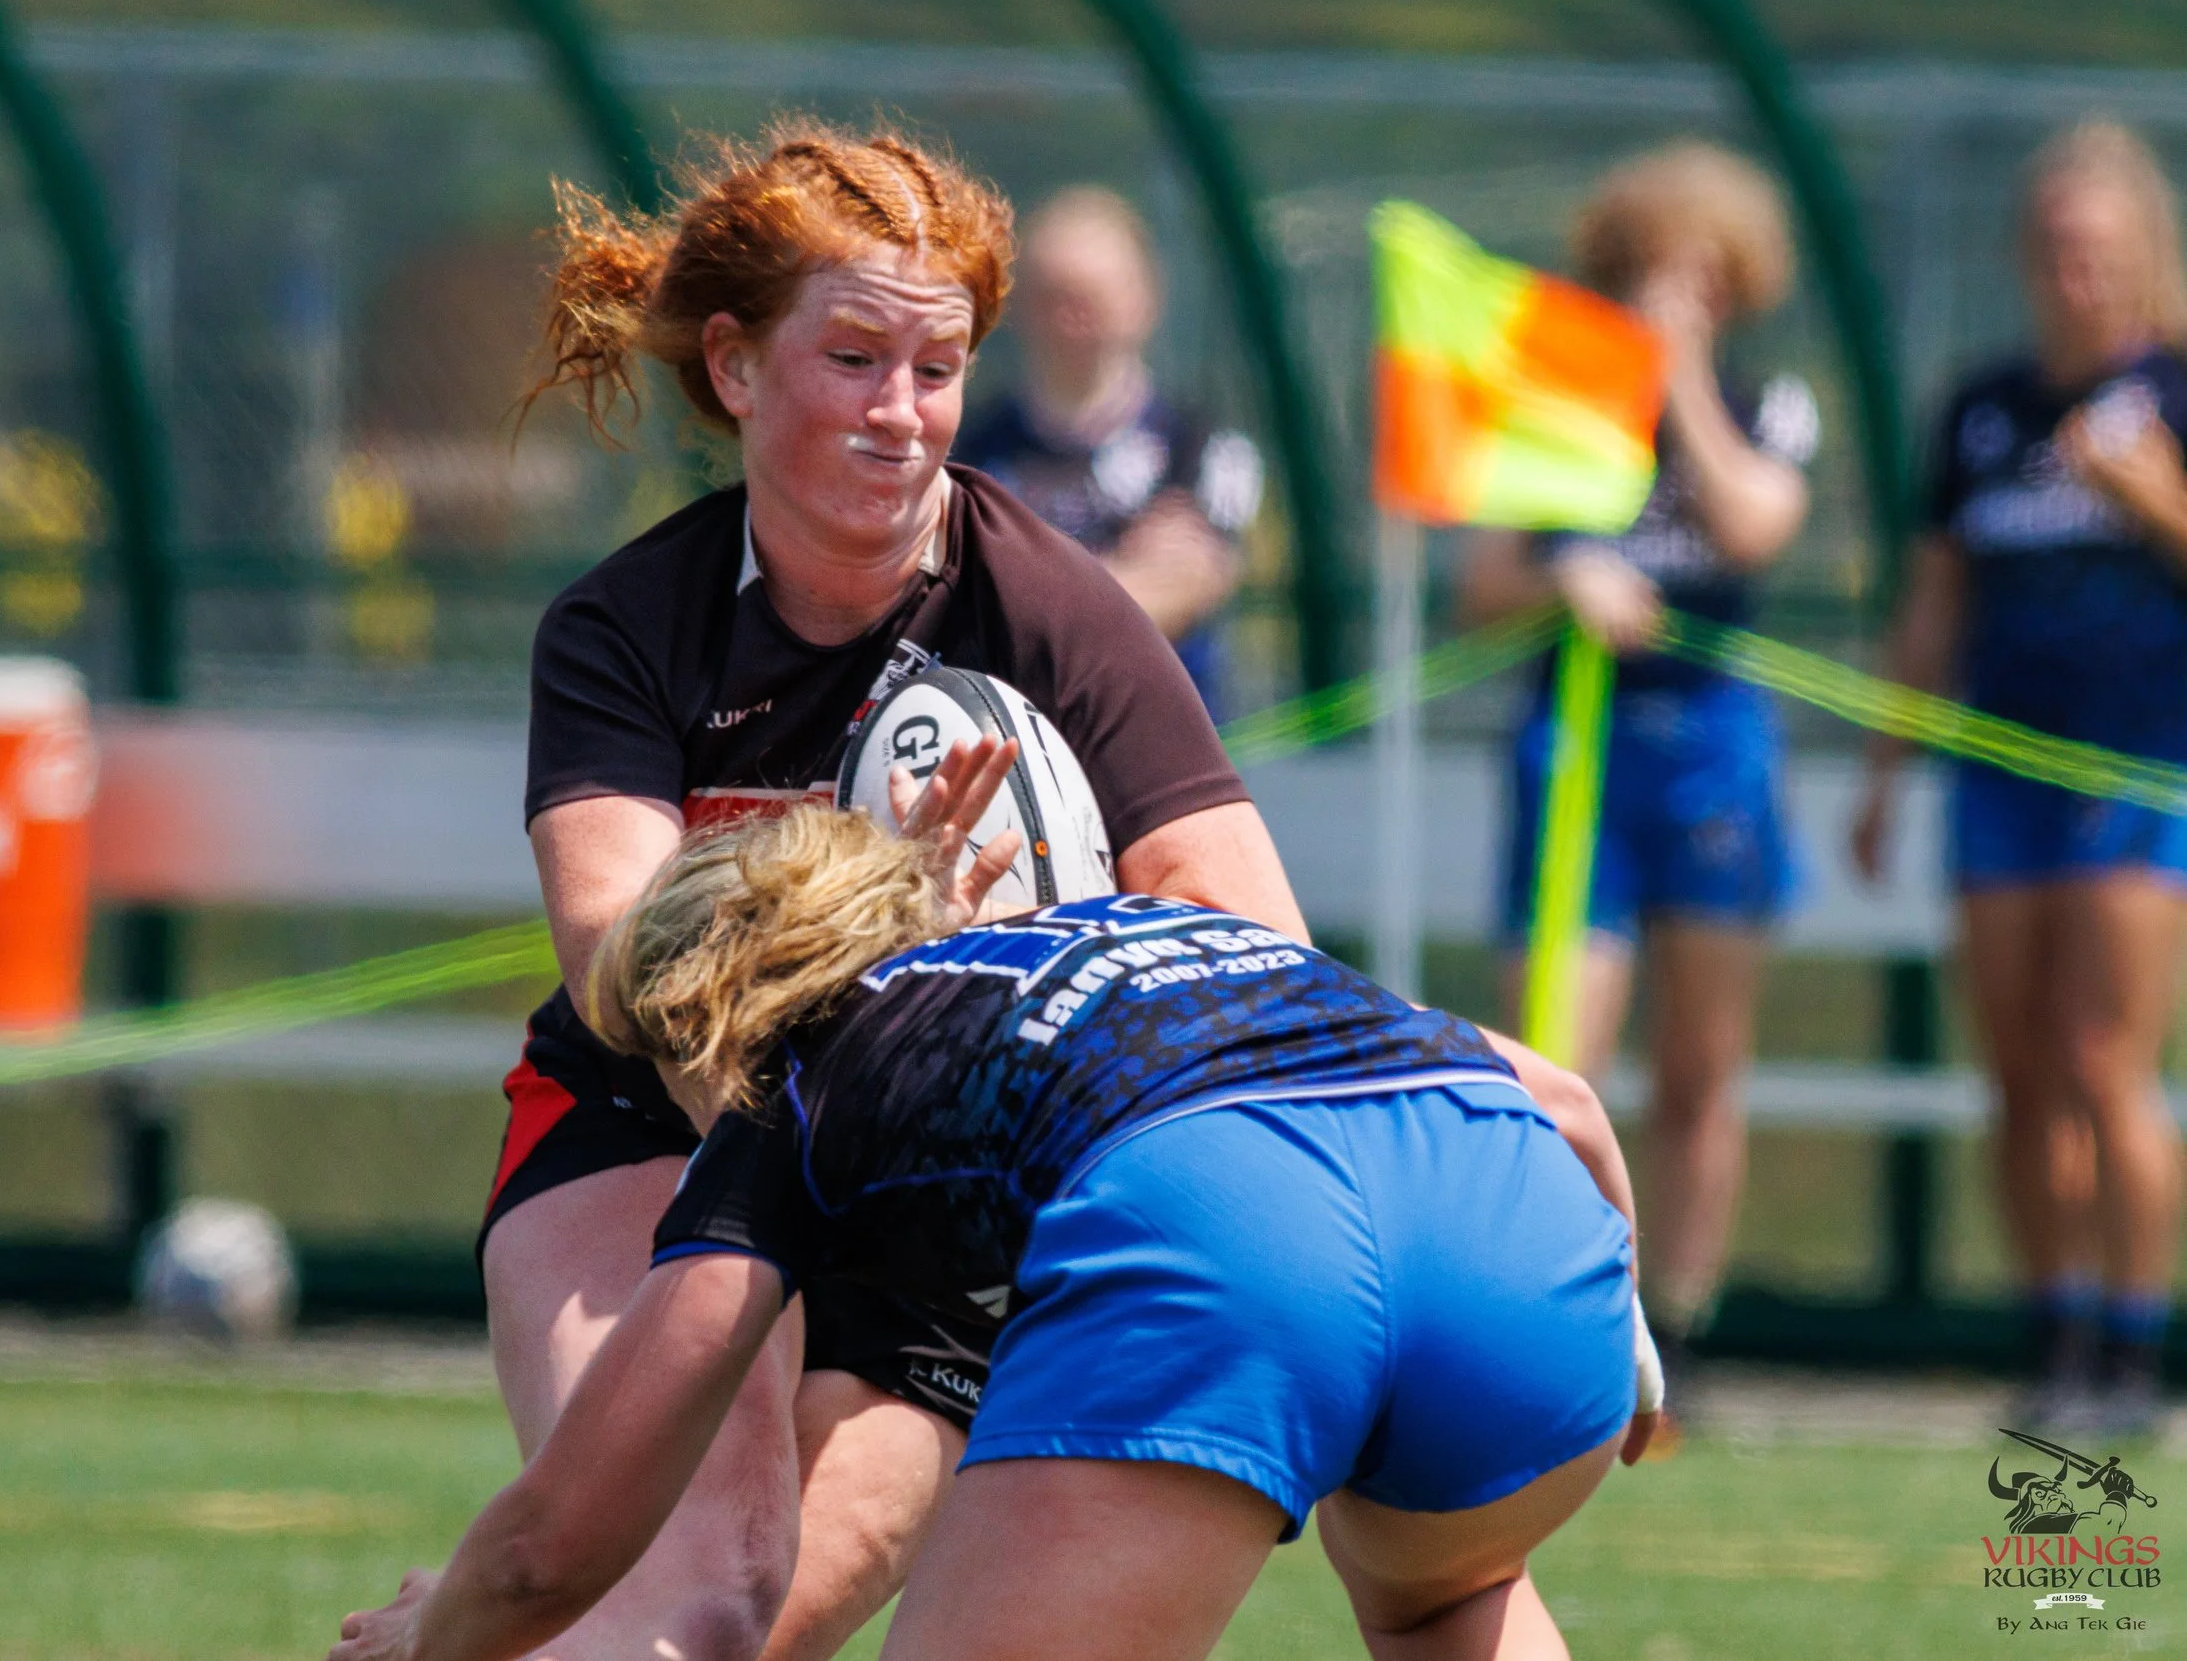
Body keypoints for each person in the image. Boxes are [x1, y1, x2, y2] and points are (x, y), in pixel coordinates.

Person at [480, 119, 1613, 1661]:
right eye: (854, 359)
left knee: (782, 1604)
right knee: (704, 1583)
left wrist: (1006, 984)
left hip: (949, 1149)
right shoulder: (630, 623)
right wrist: (884, 934)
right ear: (737, 369)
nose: (901, 415)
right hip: (648, 1125)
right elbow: (628, 963)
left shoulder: (1050, 601)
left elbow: (1250, 949)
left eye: (935, 370)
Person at [336, 799, 1656, 1661]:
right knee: (1441, 1597)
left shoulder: (788, 1082)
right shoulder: (1128, 929)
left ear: (699, 1016)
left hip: (1235, 1224)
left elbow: (558, 1538)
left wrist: (432, 1638)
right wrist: (1627, 1346)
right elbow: (1569, 1097)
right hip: (1531, 1248)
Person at [1459, 141, 1818, 1403]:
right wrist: (1563, 572)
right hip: (1576, 747)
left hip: (1712, 747)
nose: (1677, 296)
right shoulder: (1556, 405)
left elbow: (1754, 521)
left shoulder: (1767, 402)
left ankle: (1687, 1322)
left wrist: (1684, 385)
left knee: (1701, 1063)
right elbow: (1482, 580)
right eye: (1653, 275)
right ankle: (1549, 1317)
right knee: (1551, 1051)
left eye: (1704, 277)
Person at [1852, 122, 2187, 1438]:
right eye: (2054, 251)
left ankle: (2131, 1343)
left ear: (2143, 256)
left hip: (2138, 766)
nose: (2075, 275)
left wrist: (2149, 493)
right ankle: (2050, 1328)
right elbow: (1934, 604)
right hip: (1997, 778)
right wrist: (1886, 768)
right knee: (2019, 1064)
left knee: (2109, 1058)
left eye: (2099, 252)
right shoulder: (1983, 409)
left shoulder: (2169, 393)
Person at [954, 186, 1262, 714]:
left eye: (1095, 295)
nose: (1075, 316)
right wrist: (1127, 570)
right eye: (1057, 294)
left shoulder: (1202, 449)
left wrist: (1019, 589)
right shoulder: (966, 448)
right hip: (1009, 749)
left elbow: (1183, 590)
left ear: (1146, 298)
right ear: (1021, 305)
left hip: (1160, 755)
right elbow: (958, 607)